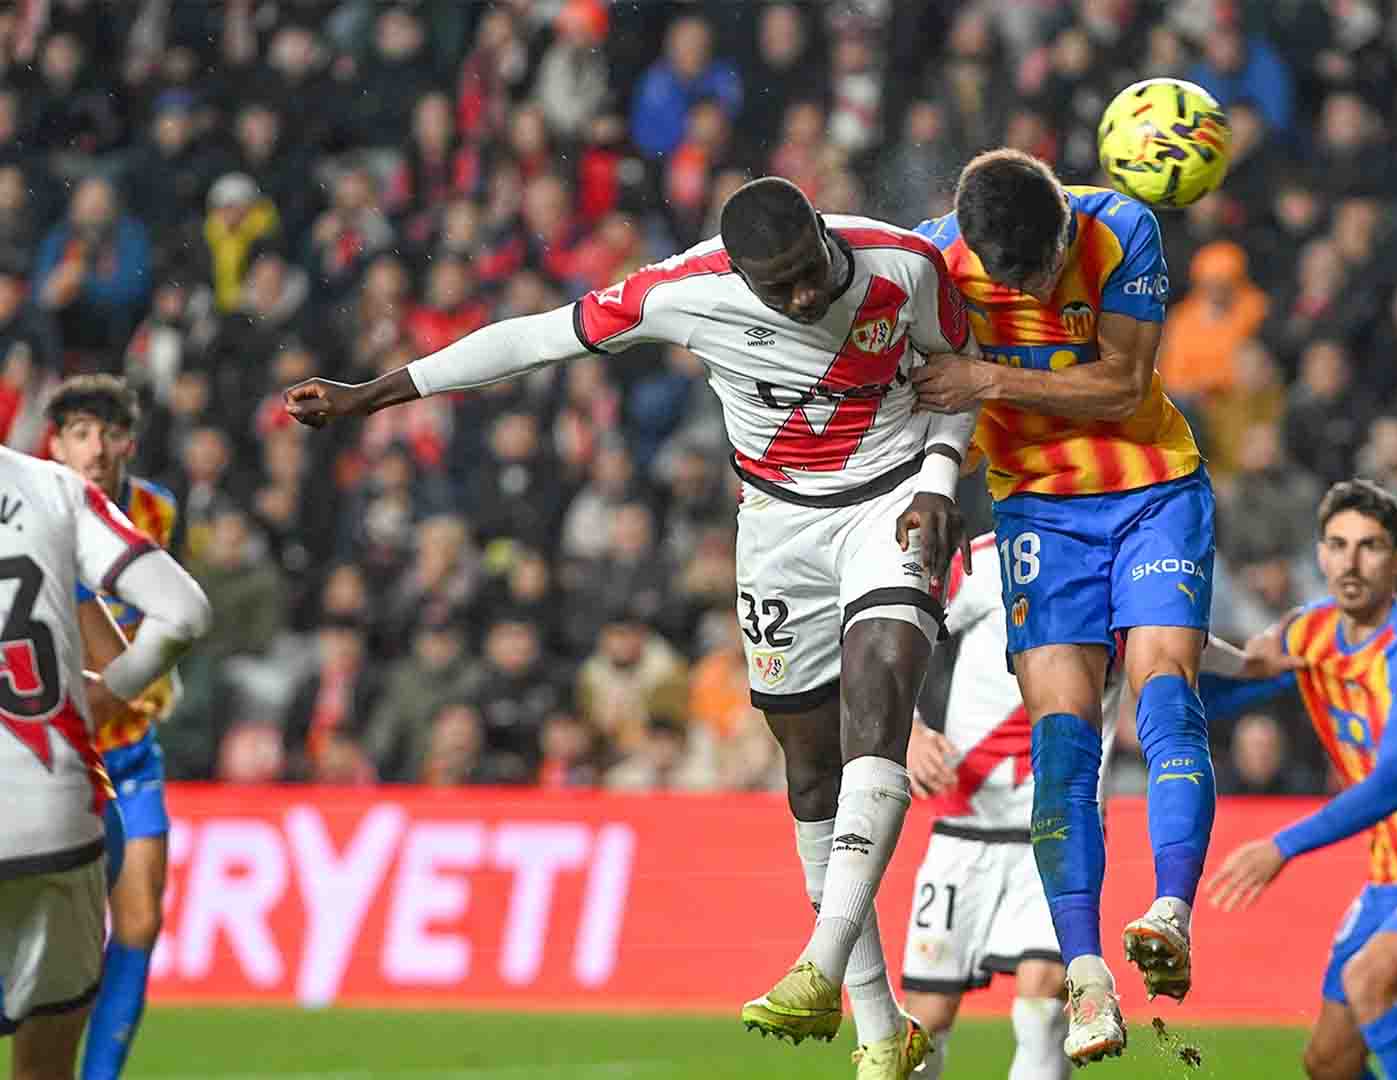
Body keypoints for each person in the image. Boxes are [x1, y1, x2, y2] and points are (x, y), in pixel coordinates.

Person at [283, 177, 976, 1080]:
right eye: (782, 288)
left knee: (879, 701)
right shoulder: (682, 290)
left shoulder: (901, 264)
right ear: (742, 276)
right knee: (810, 768)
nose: (806, 297)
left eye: (811, 271)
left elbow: (959, 372)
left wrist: (939, 478)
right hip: (776, 530)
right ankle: (881, 1029)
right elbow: (533, 339)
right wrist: (373, 393)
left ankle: (821, 959)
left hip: (890, 503)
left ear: (820, 230)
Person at [914, 148, 1217, 1065]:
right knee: (1064, 740)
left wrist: (989, 380)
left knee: (1166, 692)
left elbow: (1121, 387)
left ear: (1063, 222)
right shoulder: (933, 263)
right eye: (1016, 279)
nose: (1037, 289)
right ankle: (1086, 977)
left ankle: (1171, 911)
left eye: (1047, 267)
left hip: (1153, 490)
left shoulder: (1122, 227)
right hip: (1040, 512)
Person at [899, 530, 1253, 1080]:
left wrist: (1254, 664)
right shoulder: (993, 558)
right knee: (923, 1024)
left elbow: (1177, 640)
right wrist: (911, 732)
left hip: (1063, 829)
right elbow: (899, 632)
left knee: (1044, 1006)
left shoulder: (1133, 563)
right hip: (965, 824)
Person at [1206, 479, 1397, 1080]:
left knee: (1371, 978)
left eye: (1370, 546)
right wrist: (1159, 657)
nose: (1350, 563)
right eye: (1337, 545)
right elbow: (1228, 692)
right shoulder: (1307, 633)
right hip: (1389, 881)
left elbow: (1396, 780)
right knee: (1329, 1061)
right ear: (1320, 554)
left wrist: (1282, 846)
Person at [0, 443, 209, 1080]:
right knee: (45, 1061)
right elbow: (185, 612)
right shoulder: (55, 490)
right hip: (61, 816)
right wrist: (108, 693)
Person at [42, 376, 180, 1080]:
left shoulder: (157, 510)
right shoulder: (29, 514)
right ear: (54, 445)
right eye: (80, 434)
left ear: (129, 442)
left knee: (139, 922)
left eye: (109, 434)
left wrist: (161, 668)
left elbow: (166, 610)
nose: (95, 450)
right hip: (48, 756)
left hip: (126, 752)